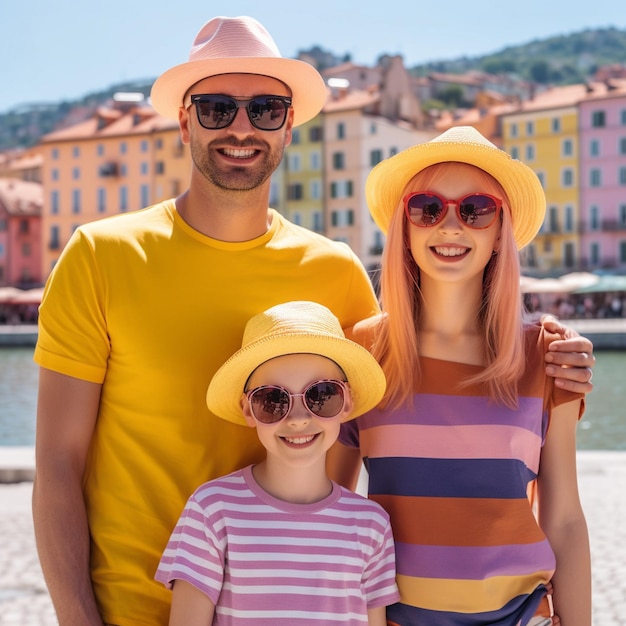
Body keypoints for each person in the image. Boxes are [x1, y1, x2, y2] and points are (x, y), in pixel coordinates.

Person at [31, 14, 594, 626]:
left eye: (266, 109)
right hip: (129, 610)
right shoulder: (99, 256)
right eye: (218, 108)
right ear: (185, 118)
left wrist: (555, 350)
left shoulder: (337, 274)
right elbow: (57, 468)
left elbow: (343, 483)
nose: (242, 128)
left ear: (289, 124)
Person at [330, 126, 592, 626]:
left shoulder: (547, 355)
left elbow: (563, 519)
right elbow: (332, 515)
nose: (450, 226)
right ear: (405, 227)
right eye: (427, 208)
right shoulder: (359, 354)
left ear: (500, 233)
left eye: (476, 210)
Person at [155, 301, 400, 624]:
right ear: (247, 409)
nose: (298, 419)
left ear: (347, 402)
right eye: (273, 400)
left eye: (321, 395)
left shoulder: (371, 525)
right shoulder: (212, 511)